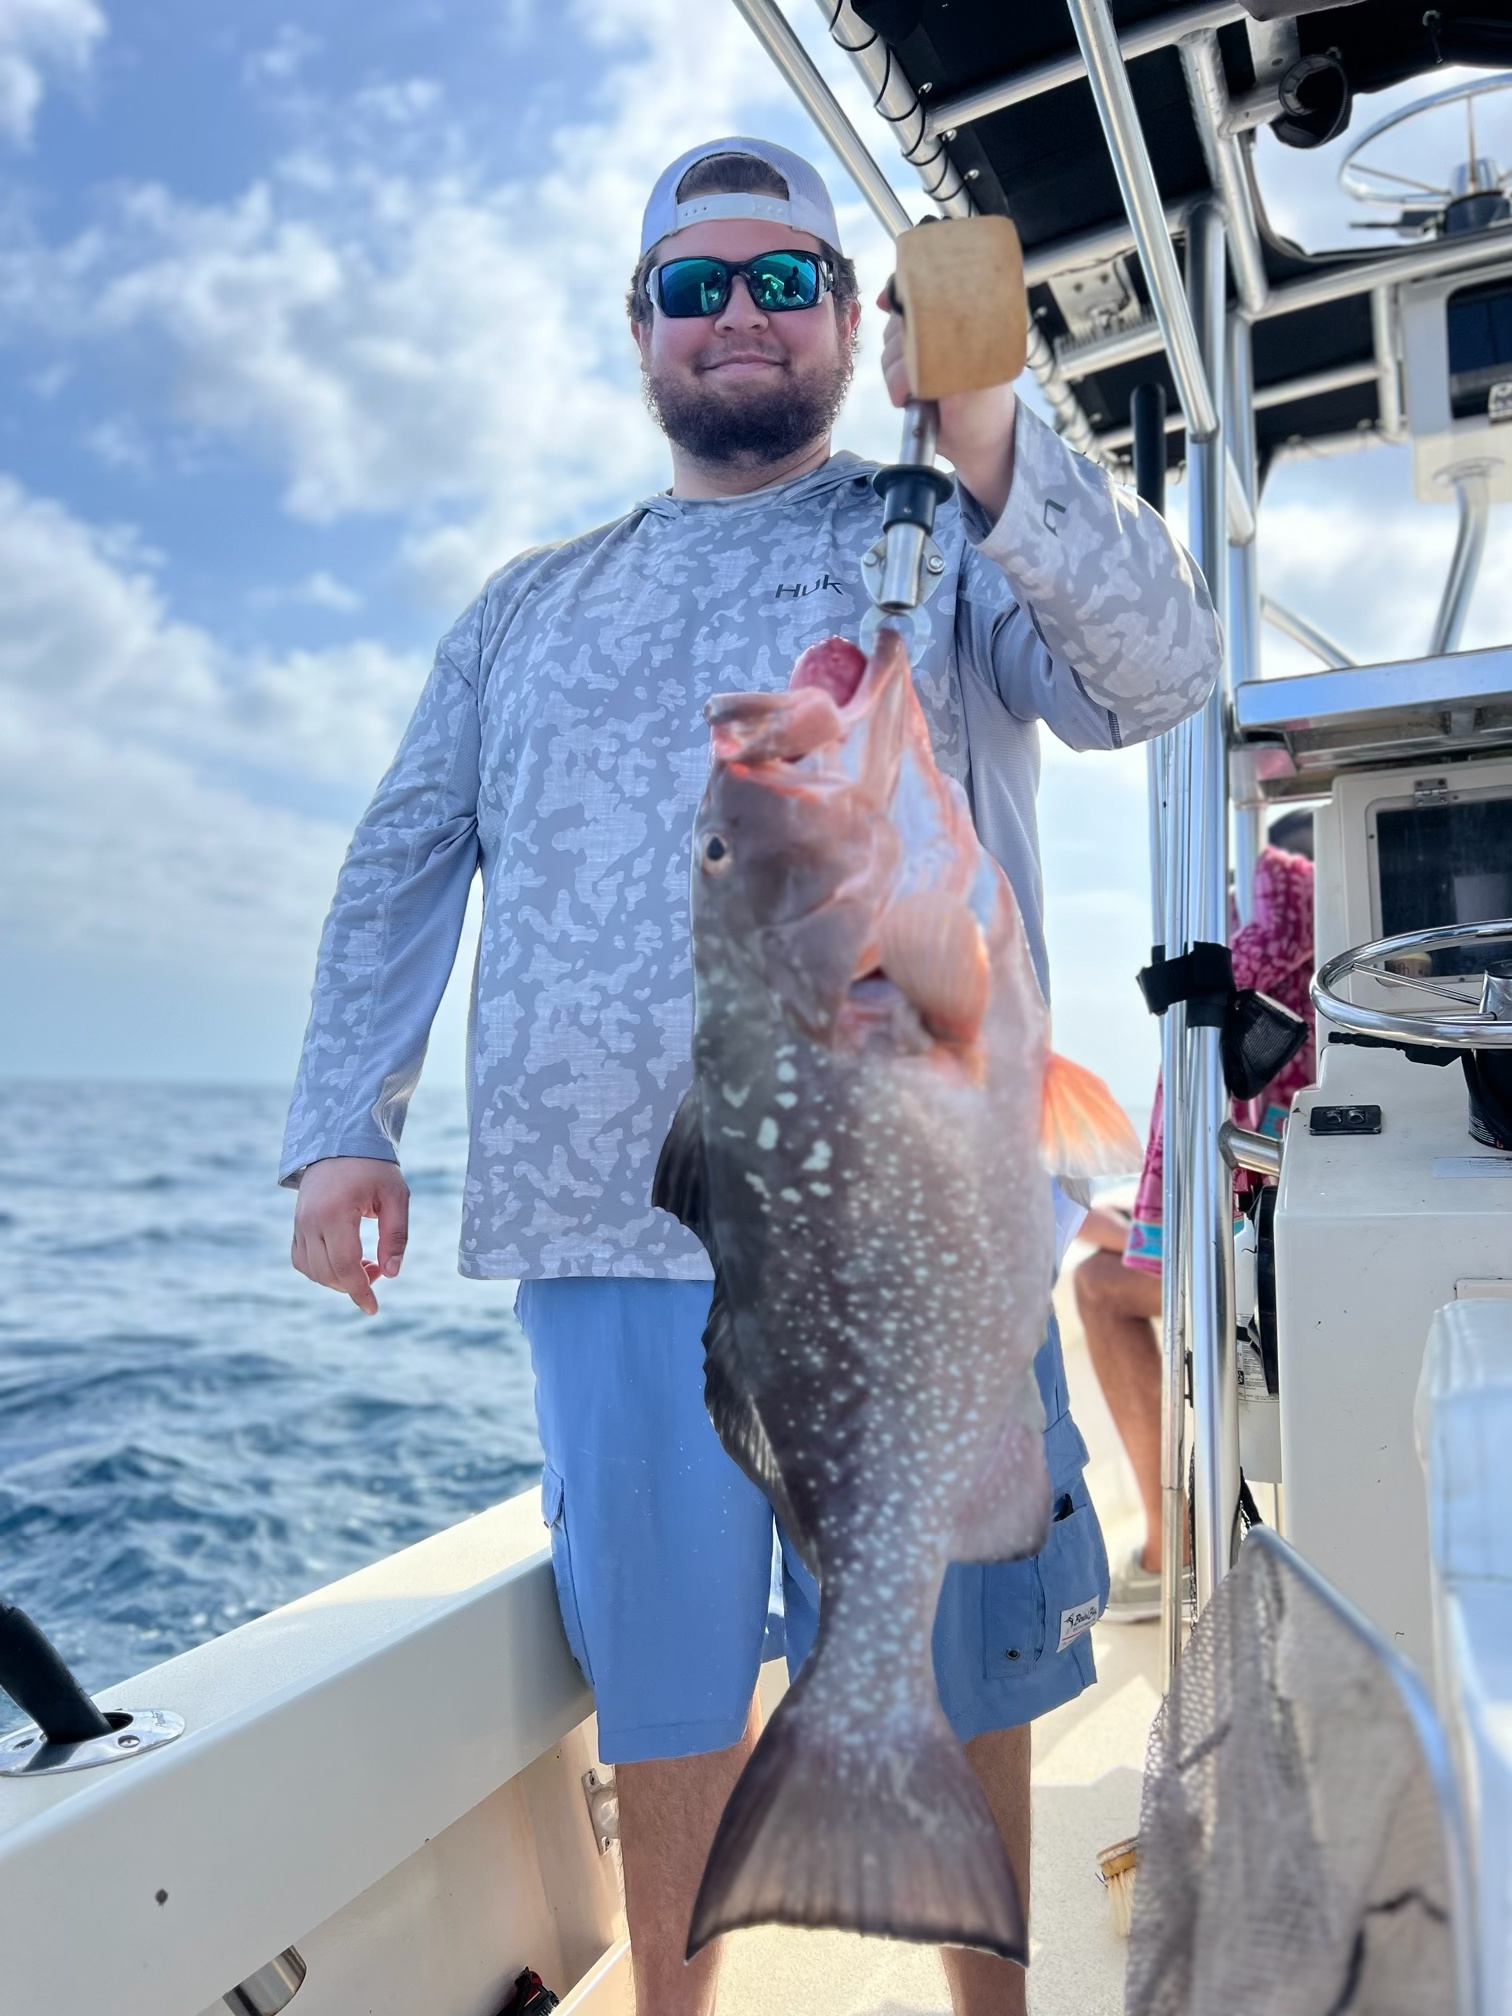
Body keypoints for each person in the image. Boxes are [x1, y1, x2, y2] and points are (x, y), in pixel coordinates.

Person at [281, 138, 1220, 2016]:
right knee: (667, 1680)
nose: (735, 315)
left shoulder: (948, 522)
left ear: (843, 318)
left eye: (780, 280)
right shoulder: (521, 605)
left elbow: (1153, 673)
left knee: (958, 1654)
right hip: (609, 1228)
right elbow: (401, 851)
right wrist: (339, 1123)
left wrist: (990, 434)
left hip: (926, 1218)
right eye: (694, 284)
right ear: (639, 328)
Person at [1074, 818, 1316, 1623]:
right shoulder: (1336, 959)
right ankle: (1170, 1536)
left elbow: (1259, 941)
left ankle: (1166, 1544)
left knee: (1096, 1281)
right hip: (1276, 1205)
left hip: (1279, 1235)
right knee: (1089, 1233)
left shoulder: (1290, 919)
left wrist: (1258, 880)